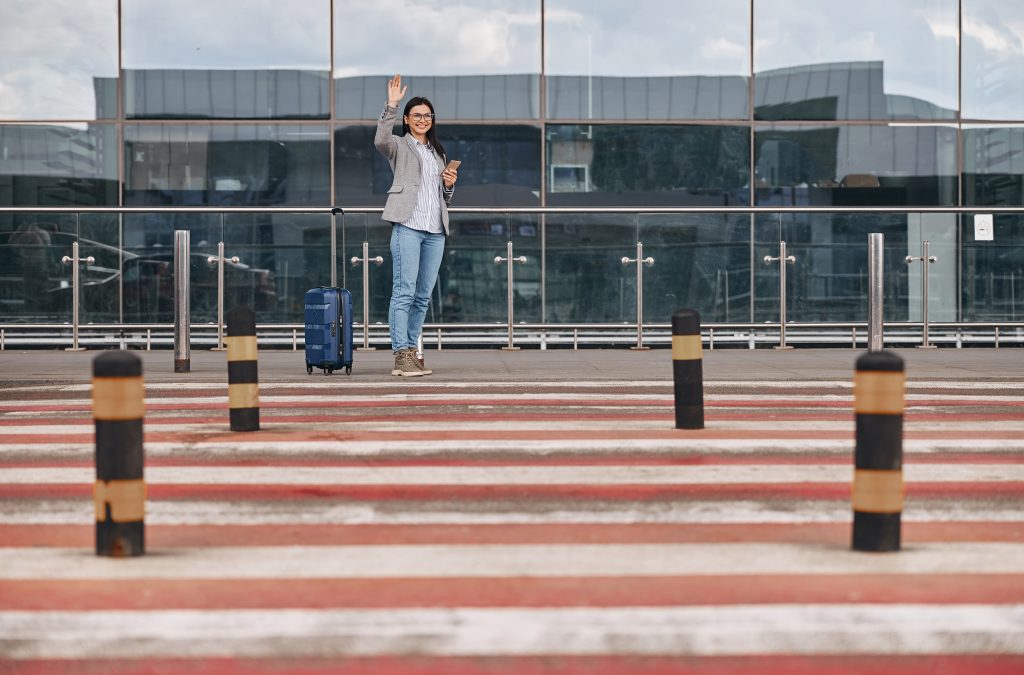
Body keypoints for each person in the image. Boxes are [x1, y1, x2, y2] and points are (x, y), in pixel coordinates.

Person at [375, 74, 458, 377]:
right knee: (404, 292)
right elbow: (380, 140)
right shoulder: (398, 145)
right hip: (408, 227)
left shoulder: (438, 153)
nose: (423, 119)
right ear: (408, 120)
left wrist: (449, 184)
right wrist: (391, 105)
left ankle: (412, 350)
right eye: (417, 115)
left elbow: (442, 198)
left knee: (423, 296)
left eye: (428, 115)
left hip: (435, 231)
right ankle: (401, 356)